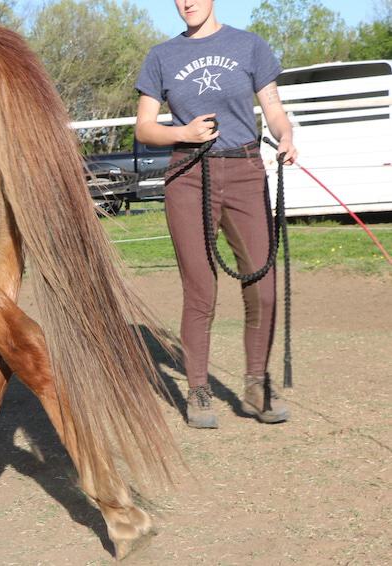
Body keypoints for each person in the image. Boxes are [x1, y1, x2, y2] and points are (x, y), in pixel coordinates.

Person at [134, 0, 297, 428]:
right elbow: (144, 127)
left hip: (245, 170)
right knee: (201, 290)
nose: (185, 2)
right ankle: (199, 388)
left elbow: (274, 110)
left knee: (262, 286)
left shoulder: (250, 46)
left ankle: (256, 385)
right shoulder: (161, 56)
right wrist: (182, 133)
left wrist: (286, 136)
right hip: (188, 174)